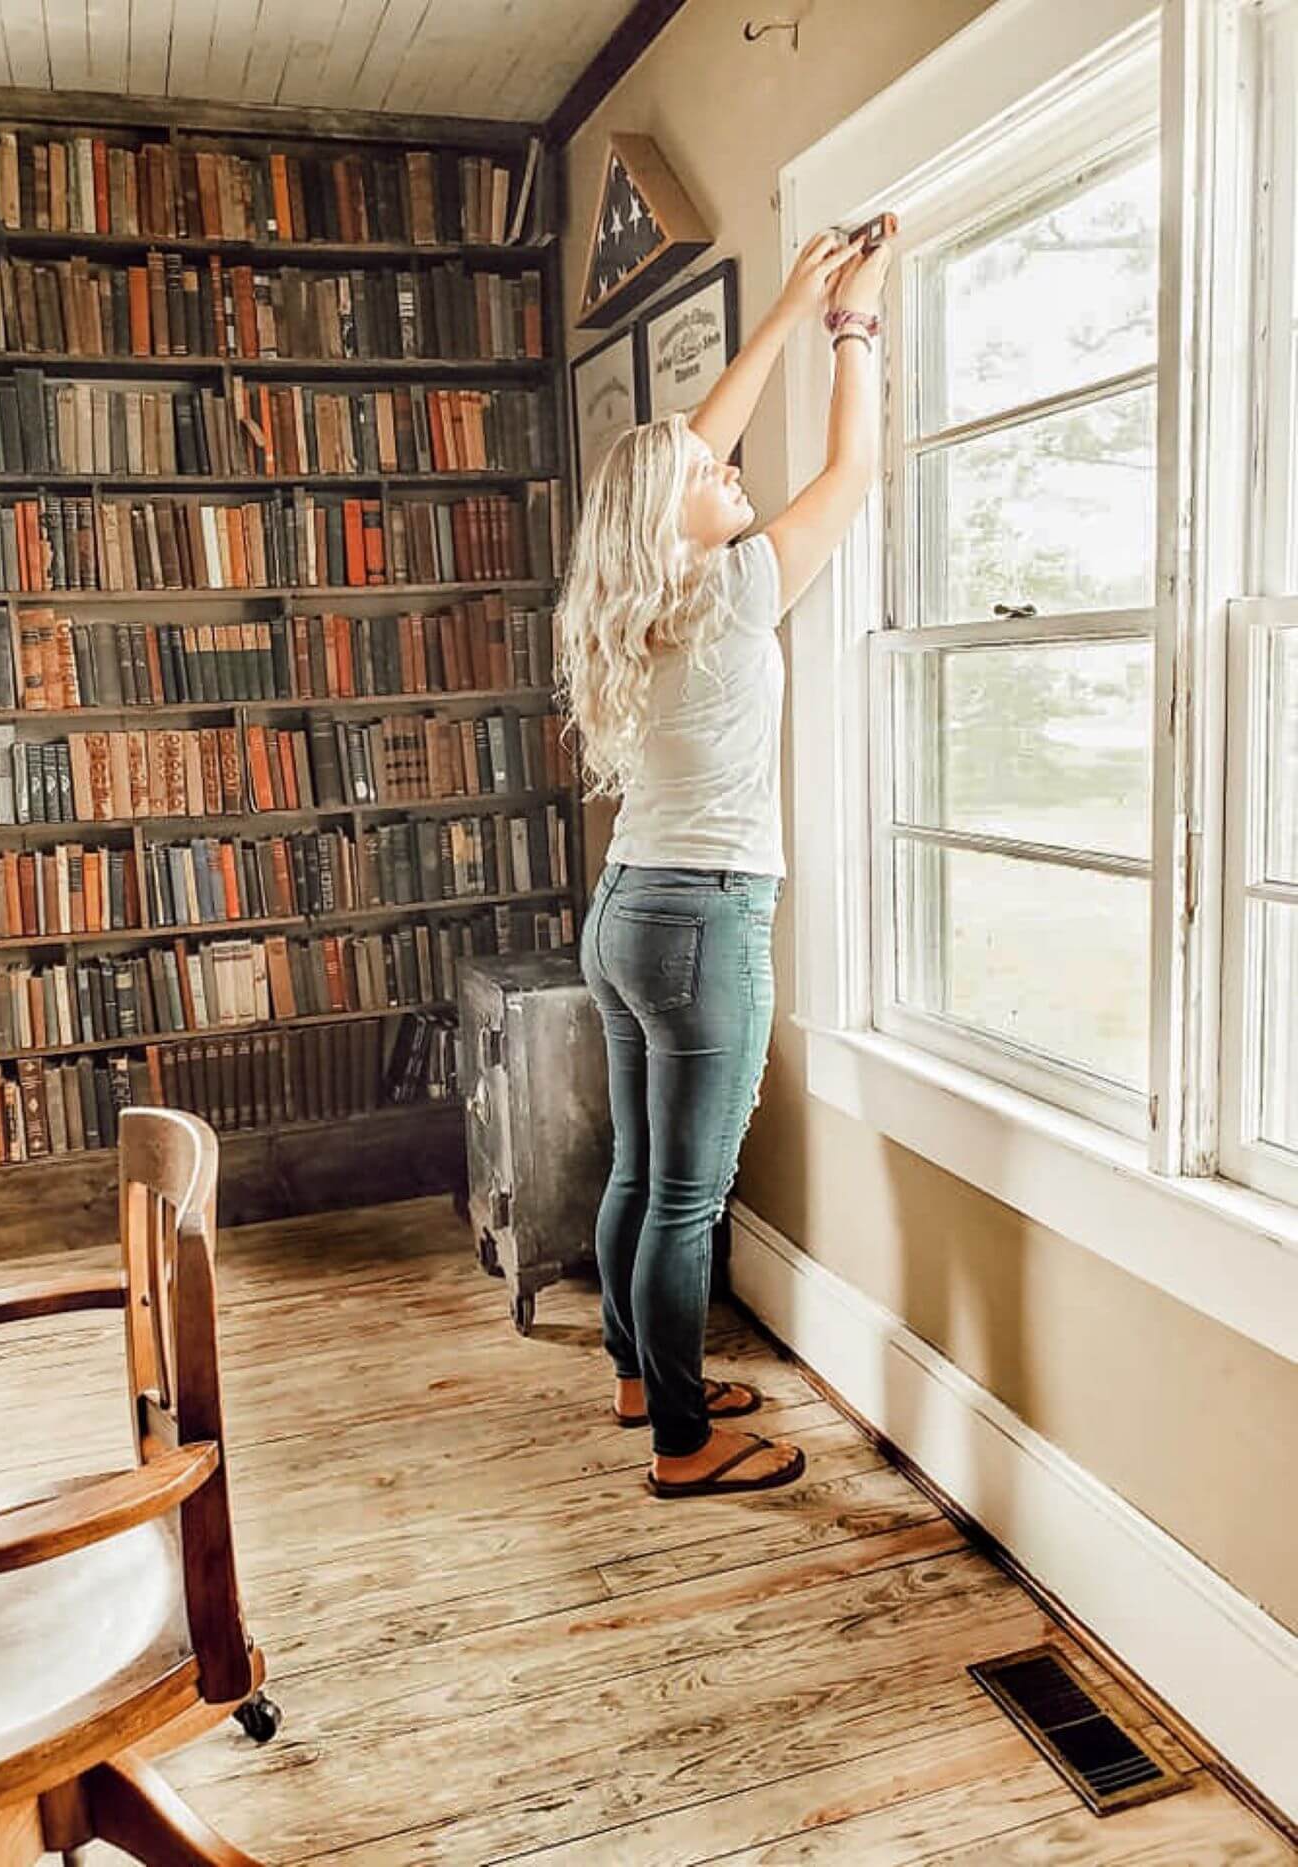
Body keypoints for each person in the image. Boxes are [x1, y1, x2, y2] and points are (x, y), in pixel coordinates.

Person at [556, 227, 894, 1498]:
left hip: (626, 911)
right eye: (714, 471)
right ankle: (684, 1446)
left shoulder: (635, 595)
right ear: (673, 508)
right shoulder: (733, 587)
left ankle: (643, 1374)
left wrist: (786, 313)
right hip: (700, 924)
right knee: (685, 1201)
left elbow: (677, 458)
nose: (732, 466)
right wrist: (850, 328)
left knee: (640, 1173)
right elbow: (851, 469)